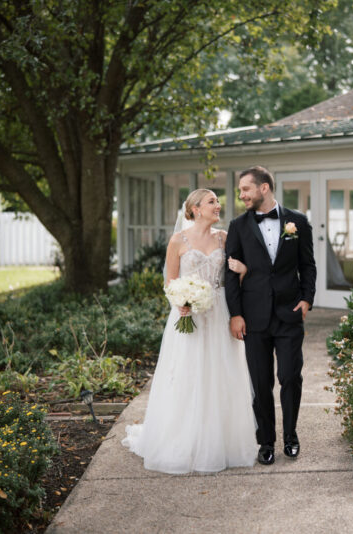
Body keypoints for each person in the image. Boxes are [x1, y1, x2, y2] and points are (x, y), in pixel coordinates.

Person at [122, 188, 258, 474]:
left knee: (221, 375)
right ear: (195, 208)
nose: (217, 205)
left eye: (218, 202)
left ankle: (221, 442)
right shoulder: (178, 240)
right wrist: (180, 301)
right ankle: (183, 440)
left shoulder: (224, 237)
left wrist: (244, 270)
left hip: (219, 312)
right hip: (189, 315)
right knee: (187, 375)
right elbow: (170, 280)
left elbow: (236, 276)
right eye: (212, 202)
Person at [225, 166, 316, 465]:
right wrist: (235, 314)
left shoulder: (298, 222)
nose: (242, 196)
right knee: (260, 383)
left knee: (290, 377)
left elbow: (308, 265)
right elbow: (230, 273)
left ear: (264, 188)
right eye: (240, 191)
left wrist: (306, 299)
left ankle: (291, 437)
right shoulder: (238, 226)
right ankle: (266, 442)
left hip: (289, 314)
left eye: (245, 190)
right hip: (254, 318)